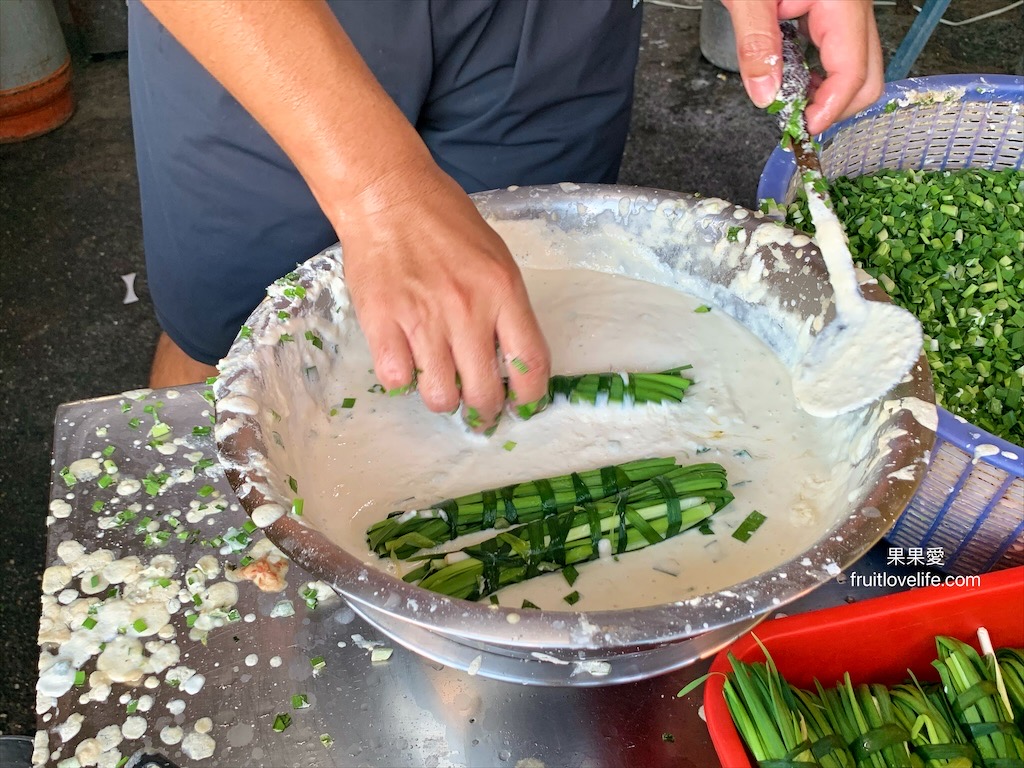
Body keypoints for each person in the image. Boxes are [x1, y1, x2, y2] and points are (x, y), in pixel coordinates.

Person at [129, 0, 883, 432]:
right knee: (234, 341)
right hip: (266, 23)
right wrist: (378, 189)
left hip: (551, 20)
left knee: (514, 308)